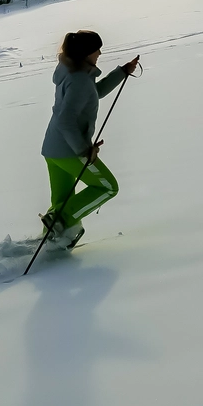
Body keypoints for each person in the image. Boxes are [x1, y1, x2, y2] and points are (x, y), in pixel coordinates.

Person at [40, 30, 139, 248]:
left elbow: (95, 92)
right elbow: (66, 120)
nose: (100, 53)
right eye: (96, 50)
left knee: (62, 201)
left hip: (52, 148)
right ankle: (60, 222)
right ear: (85, 53)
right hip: (69, 150)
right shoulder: (79, 80)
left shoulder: (69, 70)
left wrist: (122, 72)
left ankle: (51, 240)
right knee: (107, 187)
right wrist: (85, 151)